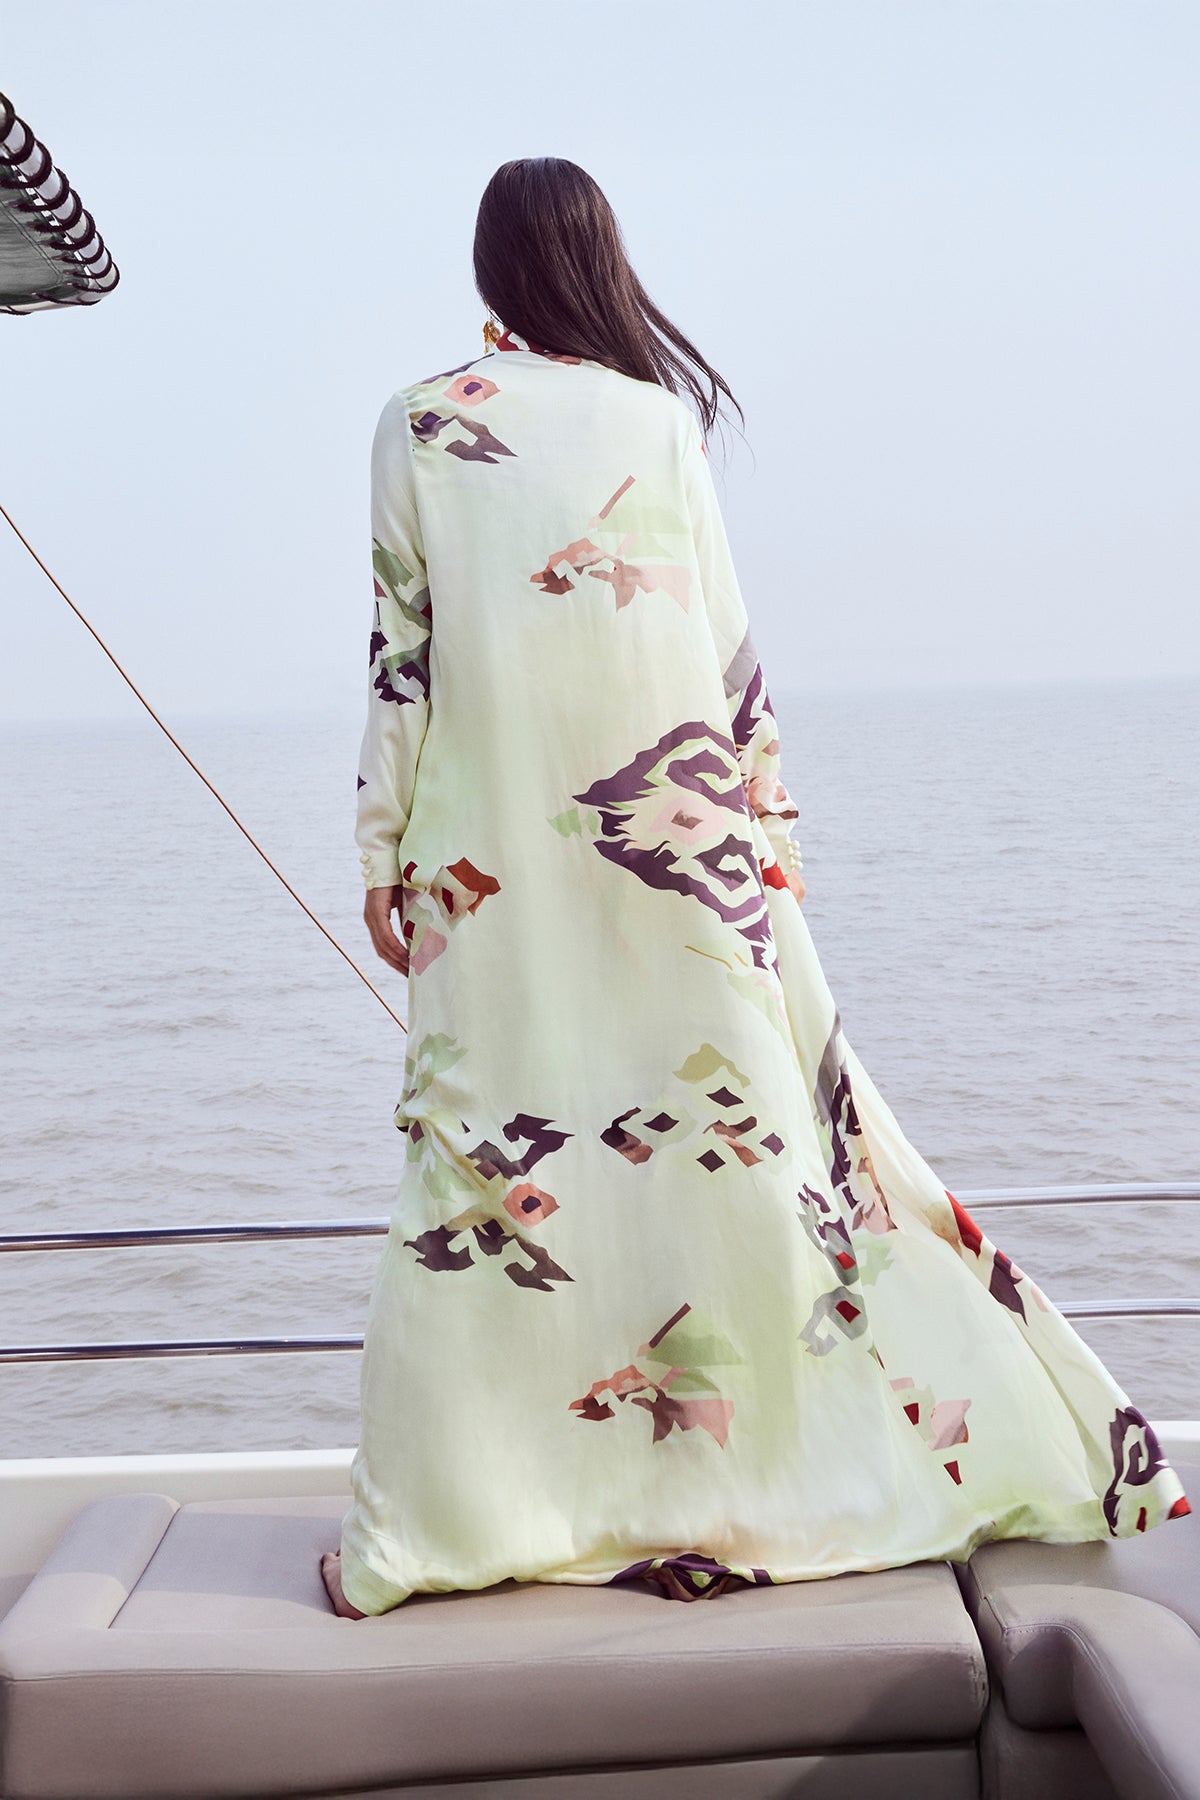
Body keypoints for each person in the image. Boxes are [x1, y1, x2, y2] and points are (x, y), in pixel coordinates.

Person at [321, 157, 1189, 1619]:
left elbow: (401, 667)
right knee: (735, 1164)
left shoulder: (417, 426)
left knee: (484, 1169)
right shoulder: (658, 422)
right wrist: (770, 840)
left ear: (490, 270)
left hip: (489, 882)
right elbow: (732, 664)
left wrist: (380, 857)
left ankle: (451, 1525)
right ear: (596, 261)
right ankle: (751, 1482)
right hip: (687, 859)